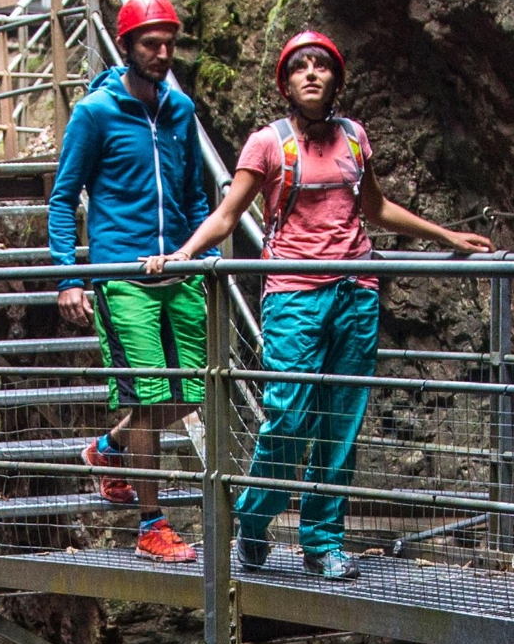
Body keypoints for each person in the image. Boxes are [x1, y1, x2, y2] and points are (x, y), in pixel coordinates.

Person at [150, 30, 495, 580]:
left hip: (356, 290)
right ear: (285, 82)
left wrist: (447, 236)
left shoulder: (355, 138)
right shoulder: (268, 144)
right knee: (289, 414)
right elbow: (228, 214)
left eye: (322, 66)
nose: (312, 73)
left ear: (336, 79)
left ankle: (322, 541)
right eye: (300, 67)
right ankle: (254, 517)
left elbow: (375, 207)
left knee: (342, 421)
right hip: (294, 293)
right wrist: (184, 253)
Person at [51, 0, 215, 563]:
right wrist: (69, 277)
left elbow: (196, 191)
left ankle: (106, 447)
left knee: (190, 394)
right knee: (149, 394)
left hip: (181, 273)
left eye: (169, 41)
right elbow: (64, 197)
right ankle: (150, 525)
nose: (162, 51)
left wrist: (203, 254)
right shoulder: (95, 113)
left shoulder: (180, 110)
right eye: (151, 42)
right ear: (126, 47)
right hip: (123, 275)